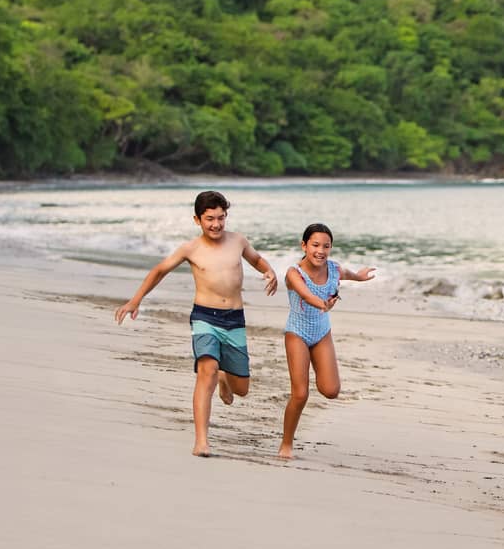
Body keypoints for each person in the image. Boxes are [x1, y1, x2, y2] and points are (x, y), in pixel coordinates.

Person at [115, 191, 277, 457]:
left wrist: (268, 271)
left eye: (221, 218)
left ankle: (226, 377)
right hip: (205, 317)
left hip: (234, 319)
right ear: (197, 220)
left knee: (242, 389)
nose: (216, 224)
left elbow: (256, 259)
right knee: (206, 370)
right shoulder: (191, 249)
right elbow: (159, 271)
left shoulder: (238, 241)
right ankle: (202, 440)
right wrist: (135, 300)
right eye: (209, 219)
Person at [278, 223, 377, 460]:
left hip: (322, 333)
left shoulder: (334, 269)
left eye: (326, 246)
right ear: (304, 245)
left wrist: (360, 278)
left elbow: (348, 274)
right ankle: (286, 443)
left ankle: (322, 380)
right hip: (297, 333)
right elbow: (305, 293)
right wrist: (322, 304)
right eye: (315, 245)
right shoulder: (294, 273)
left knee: (331, 391)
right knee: (300, 394)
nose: (320, 251)